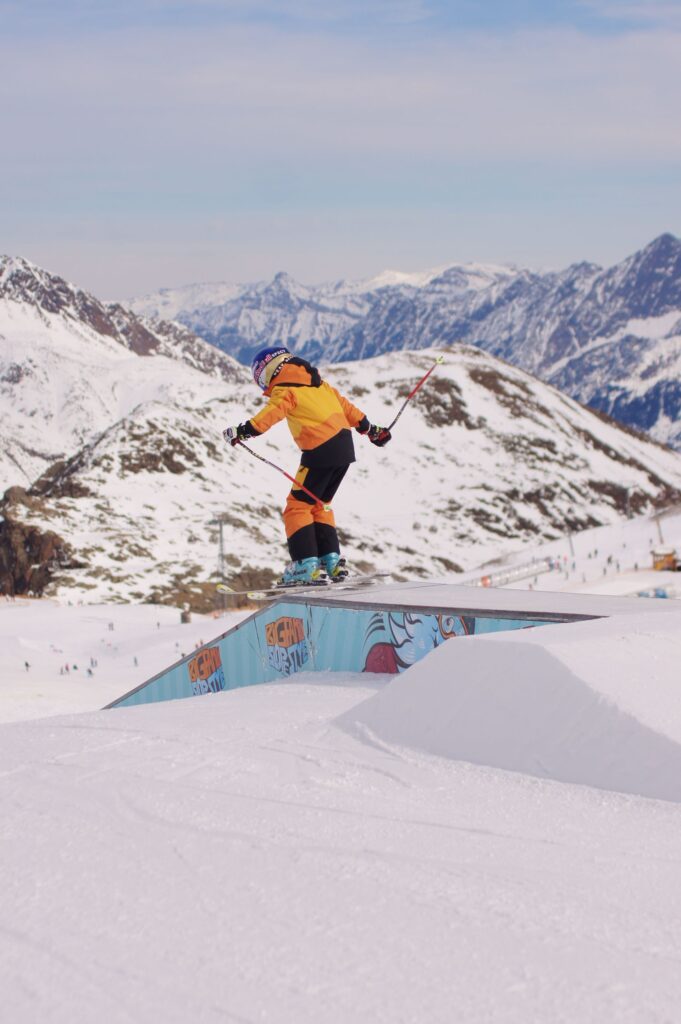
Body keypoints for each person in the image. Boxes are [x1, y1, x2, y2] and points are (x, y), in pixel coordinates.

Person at [224, 346, 391, 585]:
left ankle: (306, 565)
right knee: (319, 505)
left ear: (269, 371)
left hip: (319, 451)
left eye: (261, 378)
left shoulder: (286, 389)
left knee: (297, 507)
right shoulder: (321, 386)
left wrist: (241, 431)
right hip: (344, 449)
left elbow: (268, 416)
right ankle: (331, 563)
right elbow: (350, 410)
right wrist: (373, 431)